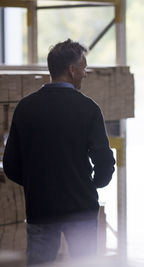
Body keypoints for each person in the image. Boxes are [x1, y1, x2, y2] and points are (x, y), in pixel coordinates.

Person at [2, 39, 115, 265]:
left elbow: (11, 164)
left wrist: (37, 185)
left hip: (41, 208)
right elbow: (104, 161)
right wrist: (92, 185)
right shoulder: (88, 109)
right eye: (83, 69)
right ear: (72, 71)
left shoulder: (26, 108)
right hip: (81, 207)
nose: (85, 74)